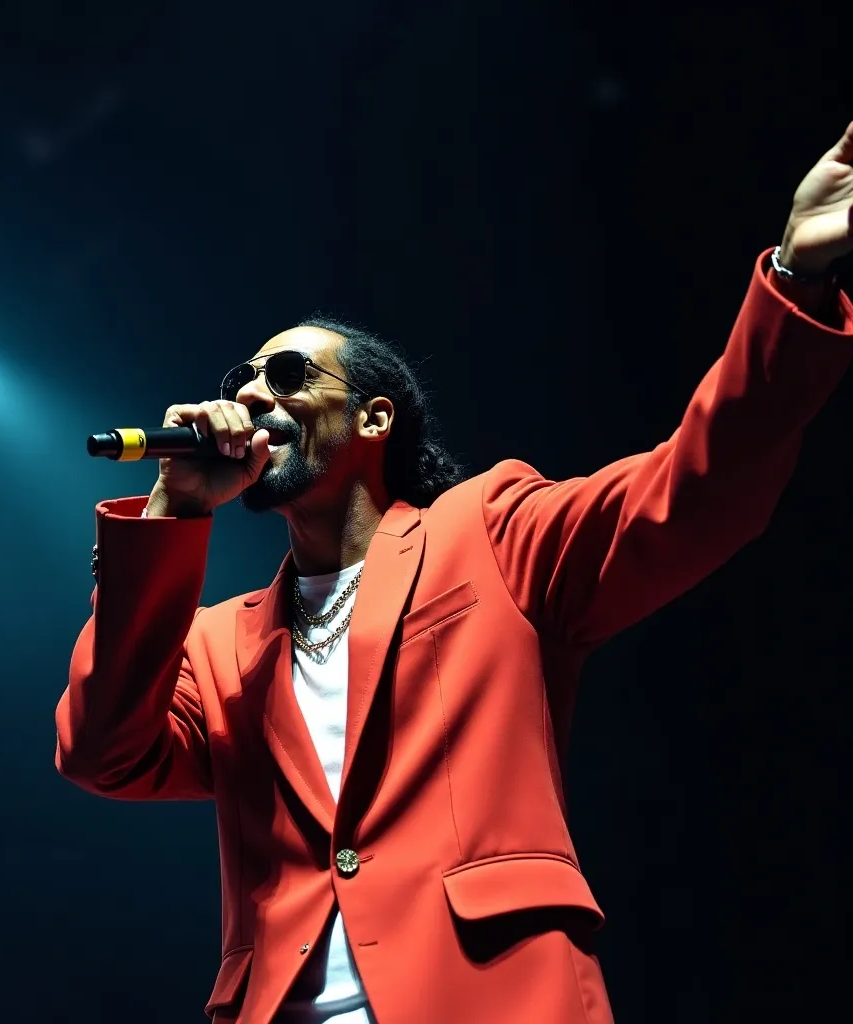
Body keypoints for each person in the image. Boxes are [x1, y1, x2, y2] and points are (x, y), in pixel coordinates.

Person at [56, 123, 853, 1024]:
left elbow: (696, 489)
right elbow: (101, 754)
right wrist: (173, 511)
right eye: (243, 377)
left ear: (374, 420)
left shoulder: (490, 532)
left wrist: (795, 275)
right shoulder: (215, 645)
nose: (249, 395)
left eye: (286, 374)